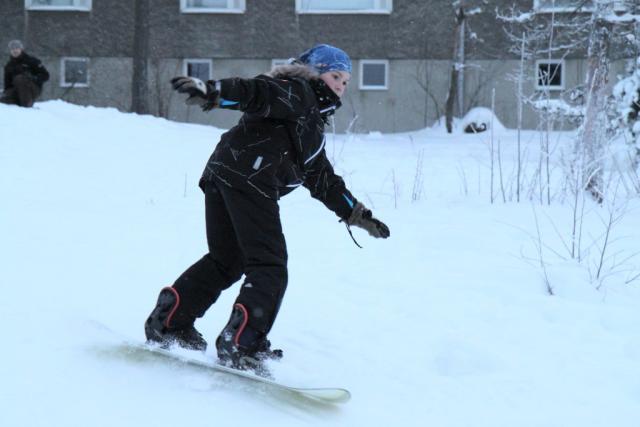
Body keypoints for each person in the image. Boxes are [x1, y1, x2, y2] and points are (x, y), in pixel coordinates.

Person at [144, 44, 390, 373]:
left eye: (346, 80)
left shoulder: (309, 122)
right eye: (335, 76)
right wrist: (213, 92)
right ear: (314, 72)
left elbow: (322, 179)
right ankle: (242, 342)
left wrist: (355, 214)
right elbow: (256, 92)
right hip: (251, 178)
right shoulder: (297, 91)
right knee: (270, 265)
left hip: (223, 174)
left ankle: (170, 321)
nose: (341, 85)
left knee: (227, 260)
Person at [1, 40, 49, 108]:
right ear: (10, 51)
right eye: (12, 49)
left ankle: (26, 107)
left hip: (33, 88)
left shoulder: (31, 60)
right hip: (17, 90)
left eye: (17, 48)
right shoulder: (9, 66)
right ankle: (16, 108)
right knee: (3, 100)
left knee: (20, 79)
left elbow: (46, 75)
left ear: (21, 49)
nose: (15, 50)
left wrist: (34, 78)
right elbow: (7, 85)